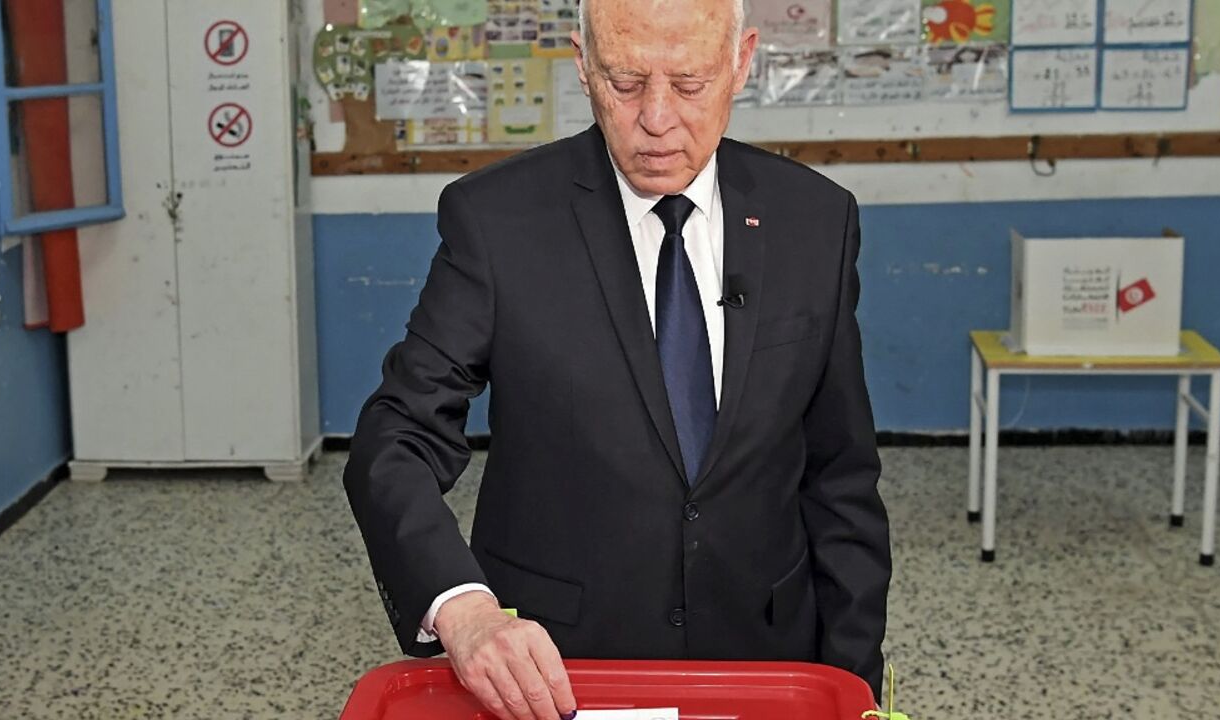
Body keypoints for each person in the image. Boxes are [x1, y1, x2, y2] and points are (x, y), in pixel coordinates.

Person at [343, 1, 891, 718]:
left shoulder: (815, 221)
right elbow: (396, 437)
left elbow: (840, 478)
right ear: (583, 63)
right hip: (560, 670)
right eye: (626, 83)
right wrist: (464, 609)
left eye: (689, 85)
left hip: (761, 657)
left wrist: (856, 690)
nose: (657, 119)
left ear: (742, 61)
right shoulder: (498, 222)